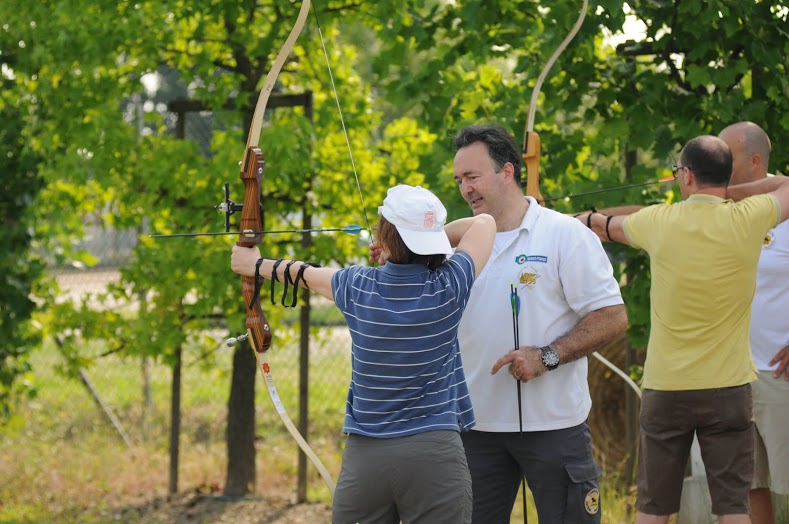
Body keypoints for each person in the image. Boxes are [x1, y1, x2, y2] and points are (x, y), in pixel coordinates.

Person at [232, 184, 495, 524]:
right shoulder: (450, 287)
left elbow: (304, 275)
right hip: (434, 456)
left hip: (366, 459)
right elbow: (484, 223)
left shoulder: (357, 285)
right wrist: (419, 242)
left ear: (384, 234)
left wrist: (254, 263)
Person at [580, 135, 789, 524]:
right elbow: (787, 186)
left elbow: (603, 227)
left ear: (688, 175)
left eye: (679, 171)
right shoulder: (749, 217)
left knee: (653, 509)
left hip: (667, 388)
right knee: (734, 508)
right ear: (724, 175)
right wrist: (728, 190)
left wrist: (581, 220)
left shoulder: (658, 220)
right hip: (728, 388)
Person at [449, 124, 628, 523]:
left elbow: (612, 316)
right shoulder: (454, 245)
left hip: (555, 426)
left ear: (507, 171)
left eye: (473, 177)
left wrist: (547, 356)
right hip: (475, 428)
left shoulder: (565, 234)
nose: (465, 189)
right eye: (459, 180)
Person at [719, 121, 789, 524]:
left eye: (726, 157)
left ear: (756, 160)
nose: (716, 164)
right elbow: (650, 218)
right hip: (734, 375)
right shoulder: (720, 212)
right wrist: (586, 220)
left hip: (781, 375)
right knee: (748, 484)